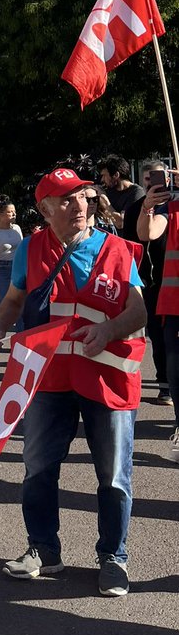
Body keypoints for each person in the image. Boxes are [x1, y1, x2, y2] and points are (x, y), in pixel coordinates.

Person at [0, 167, 147, 596]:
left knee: (114, 476)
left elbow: (138, 310)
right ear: (45, 209)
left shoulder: (116, 248)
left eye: (83, 197)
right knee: (38, 468)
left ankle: (113, 557)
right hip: (49, 378)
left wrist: (109, 330)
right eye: (66, 199)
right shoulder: (30, 248)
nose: (79, 205)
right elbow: (14, 299)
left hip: (107, 379)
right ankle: (44, 550)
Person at [136, 163, 179, 462]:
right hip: (174, 308)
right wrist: (147, 207)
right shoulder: (170, 209)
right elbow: (147, 232)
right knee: (176, 374)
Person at [123, 159, 170, 405]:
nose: (153, 183)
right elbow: (135, 242)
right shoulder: (135, 209)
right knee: (159, 337)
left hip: (172, 281)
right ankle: (165, 385)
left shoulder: (174, 206)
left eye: (158, 178)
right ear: (143, 181)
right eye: (148, 179)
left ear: (168, 179)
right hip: (149, 283)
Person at [98, 155, 145, 237]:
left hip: (128, 242)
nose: (102, 180)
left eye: (104, 175)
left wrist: (105, 202)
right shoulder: (109, 190)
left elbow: (121, 223)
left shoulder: (137, 193)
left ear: (116, 175)